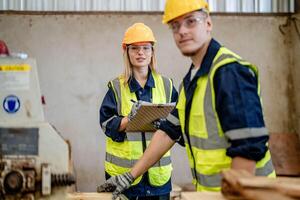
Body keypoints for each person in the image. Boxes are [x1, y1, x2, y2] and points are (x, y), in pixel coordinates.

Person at [98, 0, 276, 198]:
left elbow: (249, 148)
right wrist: (129, 176)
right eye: (175, 26)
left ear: (208, 24)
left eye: (190, 21)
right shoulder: (192, 80)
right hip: (213, 194)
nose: (182, 31)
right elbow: (168, 132)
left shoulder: (228, 72)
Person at [98, 23, 178, 200]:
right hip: (125, 178)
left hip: (158, 179)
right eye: (134, 48)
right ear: (126, 51)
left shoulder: (167, 86)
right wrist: (129, 120)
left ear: (152, 51)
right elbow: (105, 124)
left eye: (145, 48)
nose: (140, 53)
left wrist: (164, 125)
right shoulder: (117, 88)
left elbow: (178, 125)